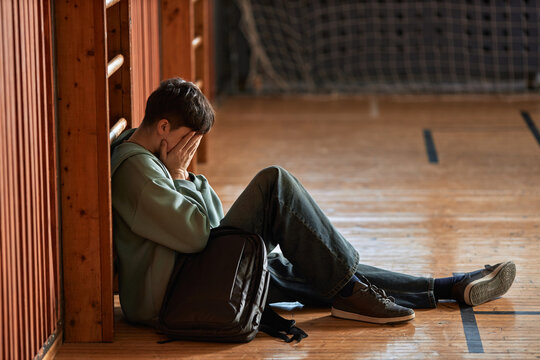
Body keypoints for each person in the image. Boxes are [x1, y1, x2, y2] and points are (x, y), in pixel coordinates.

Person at [110, 77, 516, 328]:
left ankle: (448, 287)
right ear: (163, 127)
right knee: (275, 183)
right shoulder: (136, 172)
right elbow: (200, 235)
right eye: (189, 141)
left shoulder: (153, 160)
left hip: (191, 275)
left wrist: (187, 177)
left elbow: (211, 219)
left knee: (317, 265)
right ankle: (354, 292)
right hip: (174, 296)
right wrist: (182, 175)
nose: (190, 151)